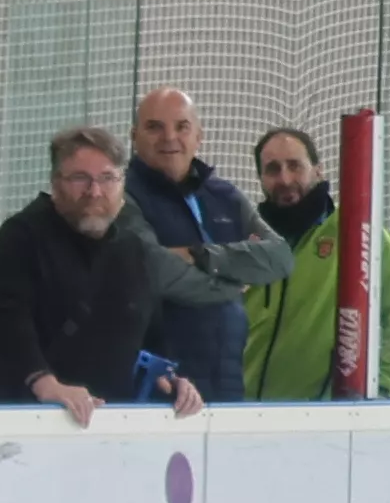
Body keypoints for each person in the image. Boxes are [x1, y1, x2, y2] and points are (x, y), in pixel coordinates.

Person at [0, 125, 209, 419]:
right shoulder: (22, 235)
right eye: (80, 178)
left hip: (98, 425)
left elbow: (151, 336)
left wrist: (171, 380)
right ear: (55, 182)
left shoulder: (134, 249)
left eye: (107, 178)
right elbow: (7, 324)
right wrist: (45, 384)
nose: (94, 192)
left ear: (122, 185)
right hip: (12, 417)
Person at [121, 84, 289, 400]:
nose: (169, 138)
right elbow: (154, 270)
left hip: (226, 382)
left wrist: (202, 256)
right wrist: (230, 285)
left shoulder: (224, 197)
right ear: (134, 137)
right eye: (154, 127)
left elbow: (278, 255)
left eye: (182, 127)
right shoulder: (123, 198)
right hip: (156, 387)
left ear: (199, 135)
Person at [233, 124, 390, 399]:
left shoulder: (356, 233)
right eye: (273, 169)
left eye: (295, 165)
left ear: (318, 170)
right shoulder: (245, 239)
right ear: (261, 178)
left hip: (323, 418)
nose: (285, 179)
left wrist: (385, 387)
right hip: (243, 415)